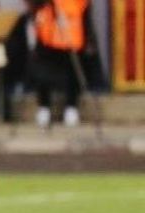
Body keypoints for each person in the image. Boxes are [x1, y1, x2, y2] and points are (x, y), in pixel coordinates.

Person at [29, 0, 88, 128]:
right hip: (47, 30)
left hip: (70, 30)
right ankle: (44, 107)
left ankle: (71, 107)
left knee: (72, 71)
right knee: (43, 71)